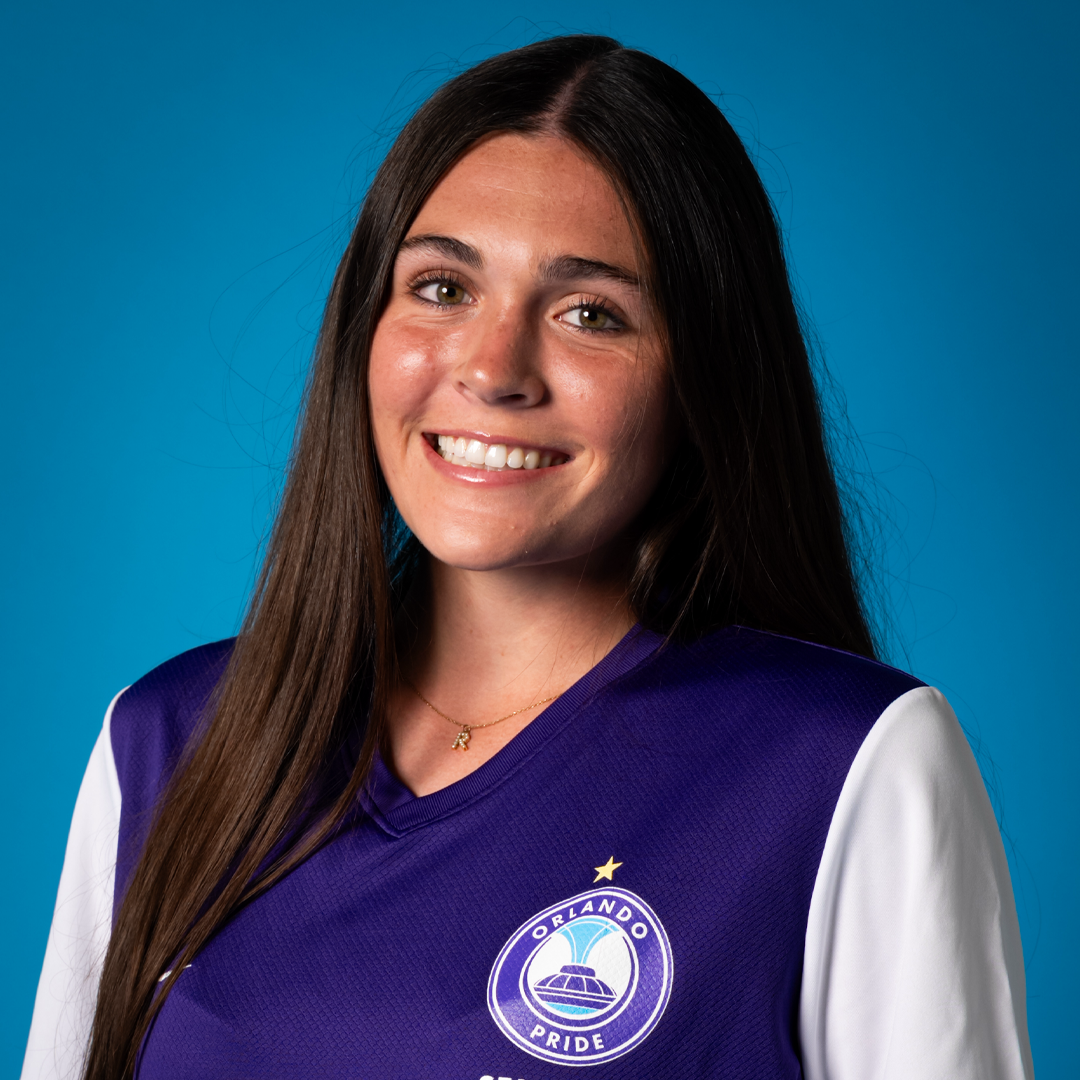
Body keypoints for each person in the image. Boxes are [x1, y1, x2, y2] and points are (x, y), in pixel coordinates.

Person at [22, 34, 1033, 1080]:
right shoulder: (167, 743)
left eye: (590, 313)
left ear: (703, 381)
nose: (495, 369)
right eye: (443, 289)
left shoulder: (846, 766)